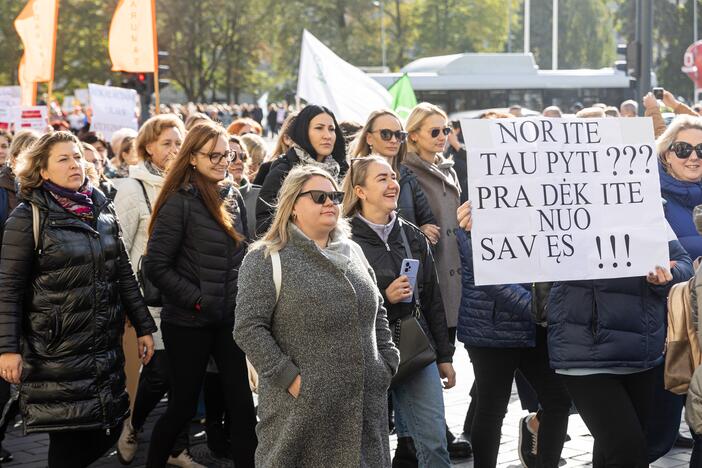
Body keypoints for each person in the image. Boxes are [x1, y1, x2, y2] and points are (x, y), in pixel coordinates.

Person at [0, 131, 156, 468]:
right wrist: (8, 349)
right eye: (64, 159)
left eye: (77, 157)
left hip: (102, 345)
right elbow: (9, 289)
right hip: (57, 350)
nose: (76, 164)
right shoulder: (27, 217)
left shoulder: (99, 207)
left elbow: (124, 273)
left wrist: (144, 325)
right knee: (69, 438)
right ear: (42, 170)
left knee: (107, 427)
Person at [235, 164, 399, 466]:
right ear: (293, 205)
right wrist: (293, 380)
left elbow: (377, 313)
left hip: (364, 410)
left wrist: (385, 363)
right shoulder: (266, 258)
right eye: (318, 197)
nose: (330, 203)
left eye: (335, 196)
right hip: (301, 416)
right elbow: (248, 328)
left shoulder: (352, 251)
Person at [144, 121, 257, 468]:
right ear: (192, 157)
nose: (224, 161)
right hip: (189, 322)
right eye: (214, 155)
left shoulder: (232, 195)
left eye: (228, 154)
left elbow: (244, 255)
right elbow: (156, 266)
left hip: (228, 321)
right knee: (181, 408)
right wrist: (198, 299)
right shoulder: (179, 201)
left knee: (242, 407)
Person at [343, 156, 455, 467]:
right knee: (371, 451)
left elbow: (432, 298)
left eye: (393, 177)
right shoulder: (342, 239)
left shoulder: (412, 235)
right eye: (382, 179)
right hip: (367, 354)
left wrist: (444, 357)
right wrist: (383, 296)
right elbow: (334, 301)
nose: (393, 184)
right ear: (360, 191)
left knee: (434, 444)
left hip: (415, 349)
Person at [455, 201, 571, 468]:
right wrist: (541, 309)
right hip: (492, 330)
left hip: (535, 327)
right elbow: (491, 279)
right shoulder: (474, 216)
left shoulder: (545, 208)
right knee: (492, 407)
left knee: (558, 400)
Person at [112, 114, 194, 467]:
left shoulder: (190, 184)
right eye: (167, 143)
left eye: (179, 143)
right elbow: (118, 247)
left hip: (186, 296)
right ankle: (133, 424)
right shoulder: (132, 189)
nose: (174, 150)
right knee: (160, 372)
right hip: (149, 299)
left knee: (184, 379)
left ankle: (177, 448)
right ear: (147, 147)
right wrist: (128, 303)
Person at [645, 114, 702, 464]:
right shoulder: (645, 197)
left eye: (701, 149)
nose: (694, 156)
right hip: (669, 334)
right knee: (655, 437)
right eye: (683, 149)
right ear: (666, 154)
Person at [403, 103, 462, 336]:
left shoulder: (449, 169)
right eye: (434, 131)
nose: (442, 137)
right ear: (414, 135)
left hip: (456, 266)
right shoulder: (404, 171)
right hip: (431, 269)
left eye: (445, 130)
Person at [255, 104, 348, 236]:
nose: (327, 135)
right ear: (304, 132)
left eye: (331, 129)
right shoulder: (284, 170)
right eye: (319, 128)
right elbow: (265, 221)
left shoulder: (342, 170)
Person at [351, 109, 439, 244]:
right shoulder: (354, 175)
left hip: (406, 257)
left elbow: (429, 225)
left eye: (399, 135)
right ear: (369, 138)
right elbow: (346, 224)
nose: (393, 140)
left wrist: (421, 234)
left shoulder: (409, 177)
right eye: (385, 134)